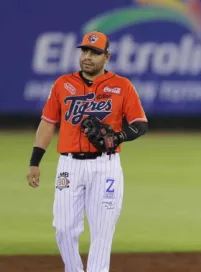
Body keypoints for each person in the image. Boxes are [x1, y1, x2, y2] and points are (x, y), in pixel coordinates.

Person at [26, 31, 148, 272]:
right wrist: (35, 161)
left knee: (103, 230)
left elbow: (140, 124)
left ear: (107, 57)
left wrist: (119, 136)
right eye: (84, 51)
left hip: (106, 166)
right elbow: (48, 122)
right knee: (63, 228)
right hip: (69, 165)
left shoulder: (122, 86)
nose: (87, 57)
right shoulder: (63, 84)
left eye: (95, 52)